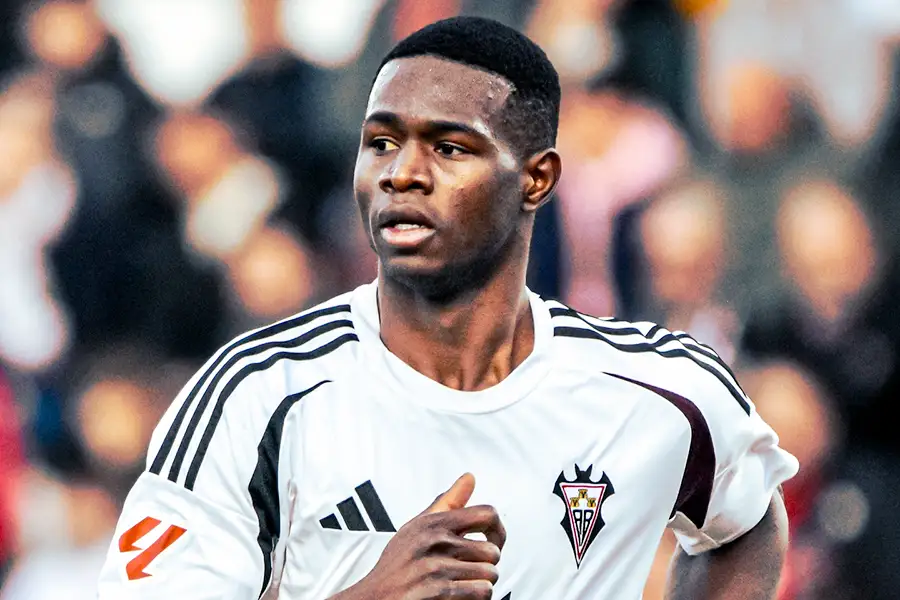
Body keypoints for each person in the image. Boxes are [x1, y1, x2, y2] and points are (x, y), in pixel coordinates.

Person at [97, 16, 798, 599]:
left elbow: (747, 521)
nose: (402, 172)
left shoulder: (660, 389)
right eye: (381, 142)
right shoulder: (257, 393)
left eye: (448, 147)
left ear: (536, 179)